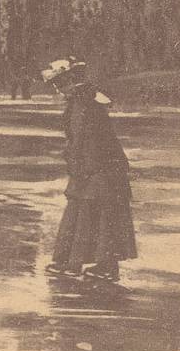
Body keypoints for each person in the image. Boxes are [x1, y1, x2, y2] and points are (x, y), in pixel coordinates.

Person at [42, 58, 136, 282]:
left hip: (98, 168)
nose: (57, 88)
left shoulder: (82, 104)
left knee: (93, 212)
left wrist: (80, 170)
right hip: (99, 167)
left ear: (71, 81)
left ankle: (84, 264)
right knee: (95, 213)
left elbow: (85, 141)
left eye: (59, 83)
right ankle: (85, 263)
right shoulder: (84, 100)